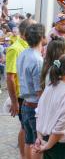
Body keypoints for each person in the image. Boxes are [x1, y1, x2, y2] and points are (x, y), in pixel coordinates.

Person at [35, 54, 65, 159]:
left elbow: (39, 113)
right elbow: (61, 126)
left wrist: (40, 137)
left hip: (48, 140)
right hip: (64, 145)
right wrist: (47, 146)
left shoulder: (50, 87)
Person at [5, 19, 33, 159]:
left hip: (27, 95)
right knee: (25, 128)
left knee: (27, 128)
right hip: (21, 96)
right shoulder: (15, 49)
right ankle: (23, 156)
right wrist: (14, 101)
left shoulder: (27, 46)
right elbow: (10, 77)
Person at [17, 23, 45, 159]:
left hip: (25, 103)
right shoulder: (37, 60)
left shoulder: (23, 53)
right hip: (34, 106)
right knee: (36, 143)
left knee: (29, 142)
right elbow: (39, 91)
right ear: (41, 37)